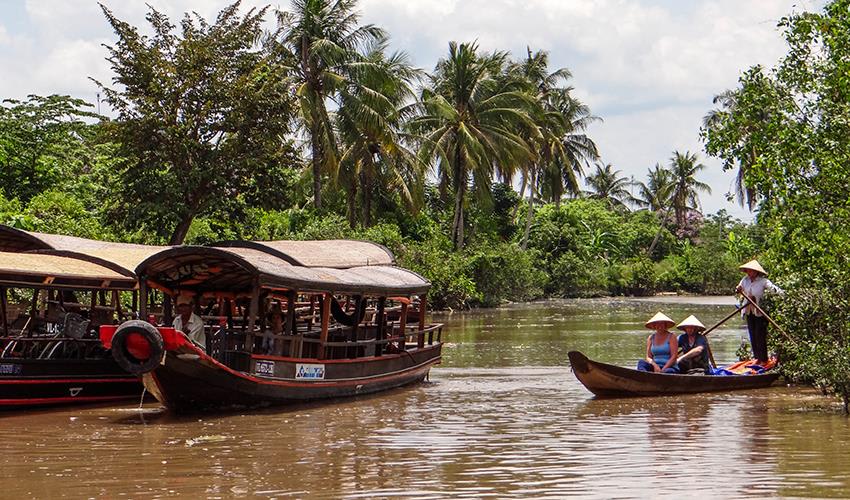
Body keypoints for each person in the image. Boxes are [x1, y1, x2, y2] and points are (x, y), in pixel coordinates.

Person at [735, 260, 782, 363]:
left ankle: (763, 359)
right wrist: (738, 289)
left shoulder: (763, 281)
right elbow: (739, 288)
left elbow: (774, 290)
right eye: (748, 271)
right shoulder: (745, 280)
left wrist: (783, 294)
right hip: (749, 310)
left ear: (756, 272)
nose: (749, 273)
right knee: (752, 334)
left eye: (751, 271)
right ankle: (757, 358)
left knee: (760, 335)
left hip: (760, 311)